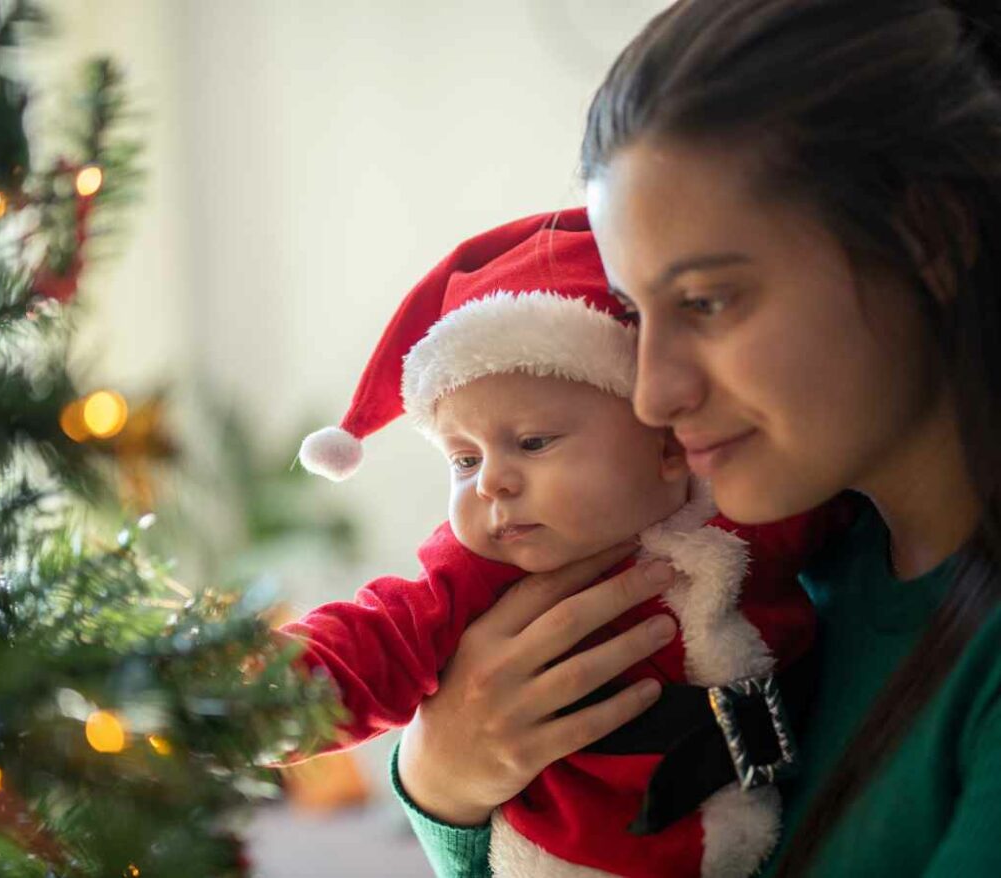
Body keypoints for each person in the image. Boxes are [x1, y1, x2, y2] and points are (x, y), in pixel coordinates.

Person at [392, 1, 1001, 876]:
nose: (653, 392)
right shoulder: (784, 577)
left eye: (707, 302)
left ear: (926, 239)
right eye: (635, 317)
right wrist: (446, 783)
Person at [285, 209, 845, 877]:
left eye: (533, 443)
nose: (491, 481)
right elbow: (375, 640)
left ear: (665, 442)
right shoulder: (482, 572)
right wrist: (257, 685)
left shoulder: (753, 504)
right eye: (463, 460)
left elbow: (843, 488)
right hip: (570, 858)